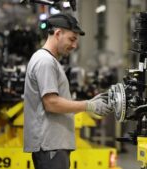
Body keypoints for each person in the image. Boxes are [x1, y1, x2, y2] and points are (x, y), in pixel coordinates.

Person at [23, 13, 113, 169]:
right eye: (72, 39)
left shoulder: (49, 61)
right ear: (58, 34)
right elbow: (51, 103)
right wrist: (89, 106)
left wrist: (90, 103)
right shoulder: (45, 62)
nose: (74, 45)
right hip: (50, 146)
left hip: (54, 145)